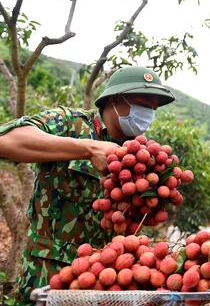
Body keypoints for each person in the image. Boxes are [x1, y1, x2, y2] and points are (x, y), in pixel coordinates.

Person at [0, 65, 175, 305]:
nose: (148, 115)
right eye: (144, 105)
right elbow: (6, 142)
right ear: (115, 98)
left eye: (153, 110)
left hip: (109, 285)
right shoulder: (70, 123)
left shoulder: (143, 159)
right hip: (48, 280)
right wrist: (87, 148)